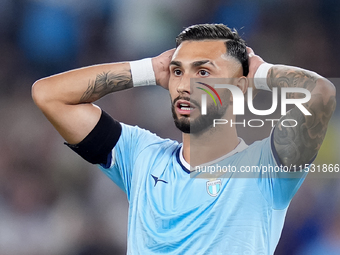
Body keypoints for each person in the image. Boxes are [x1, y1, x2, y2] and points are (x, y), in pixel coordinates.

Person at [32, 24, 336, 254]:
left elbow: (320, 94)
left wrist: (260, 72)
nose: (184, 85)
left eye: (203, 71)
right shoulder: (141, 156)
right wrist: (149, 69)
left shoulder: (266, 168)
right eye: (177, 71)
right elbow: (48, 95)